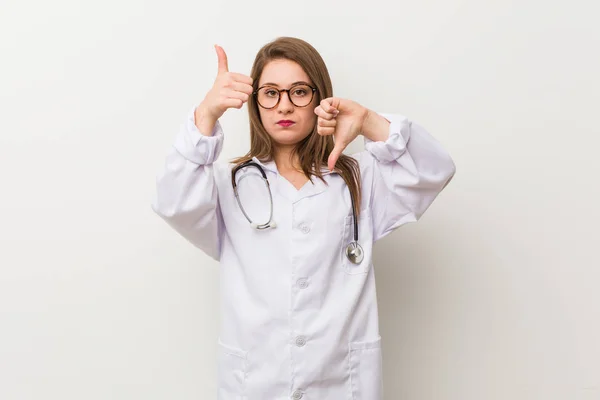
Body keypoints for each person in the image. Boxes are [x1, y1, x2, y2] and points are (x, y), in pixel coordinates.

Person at [152, 37, 455, 400]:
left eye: (299, 92)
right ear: (254, 103)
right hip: (257, 382)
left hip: (341, 383)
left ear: (319, 98)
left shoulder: (359, 177)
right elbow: (173, 202)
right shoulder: (228, 184)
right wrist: (205, 115)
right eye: (270, 93)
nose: (284, 105)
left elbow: (434, 170)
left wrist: (369, 122)